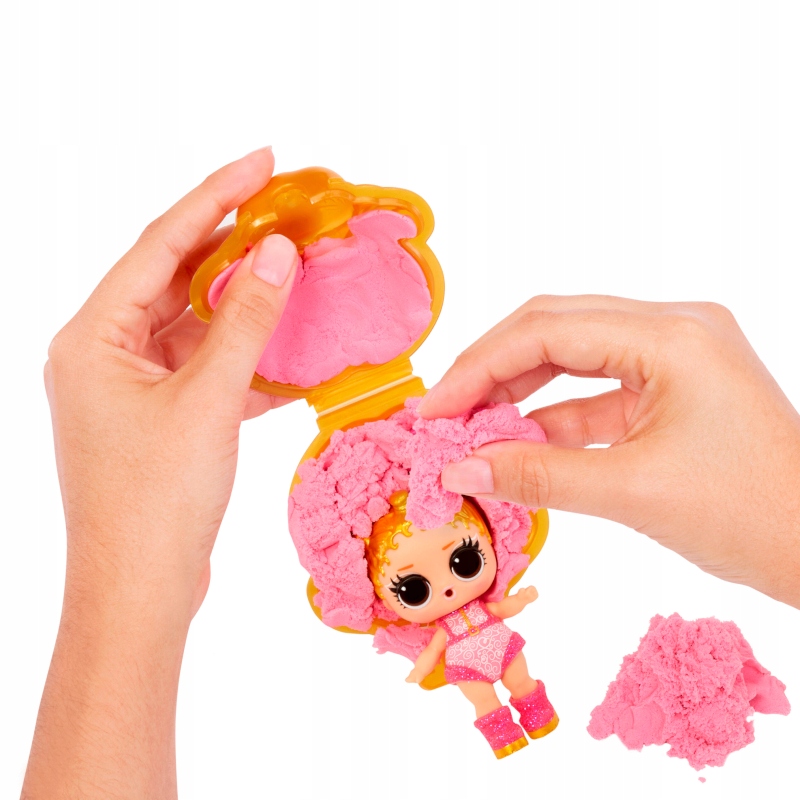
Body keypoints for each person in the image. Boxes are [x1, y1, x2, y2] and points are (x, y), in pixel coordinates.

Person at [22, 150, 800, 798]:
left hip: (490, 644)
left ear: (498, 519)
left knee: (514, 677)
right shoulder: (428, 593)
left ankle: (529, 709)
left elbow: (497, 601)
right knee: (485, 692)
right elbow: (437, 643)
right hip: (471, 656)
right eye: (418, 589)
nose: (451, 586)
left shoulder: (481, 570)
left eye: (461, 561)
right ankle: (504, 724)